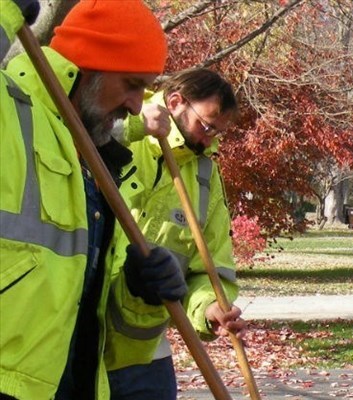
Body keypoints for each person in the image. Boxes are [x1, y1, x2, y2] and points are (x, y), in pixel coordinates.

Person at [0, 1, 188, 399]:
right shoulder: (10, 113)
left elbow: (100, 332)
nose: (137, 105)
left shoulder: (97, 160)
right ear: (90, 67)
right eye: (133, 84)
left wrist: (140, 293)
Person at [104, 68, 244, 399]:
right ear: (176, 101)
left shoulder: (205, 177)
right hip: (74, 337)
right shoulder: (121, 121)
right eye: (206, 126)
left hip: (142, 350)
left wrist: (211, 308)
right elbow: (71, 130)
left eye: (218, 132)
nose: (208, 139)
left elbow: (207, 268)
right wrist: (133, 127)